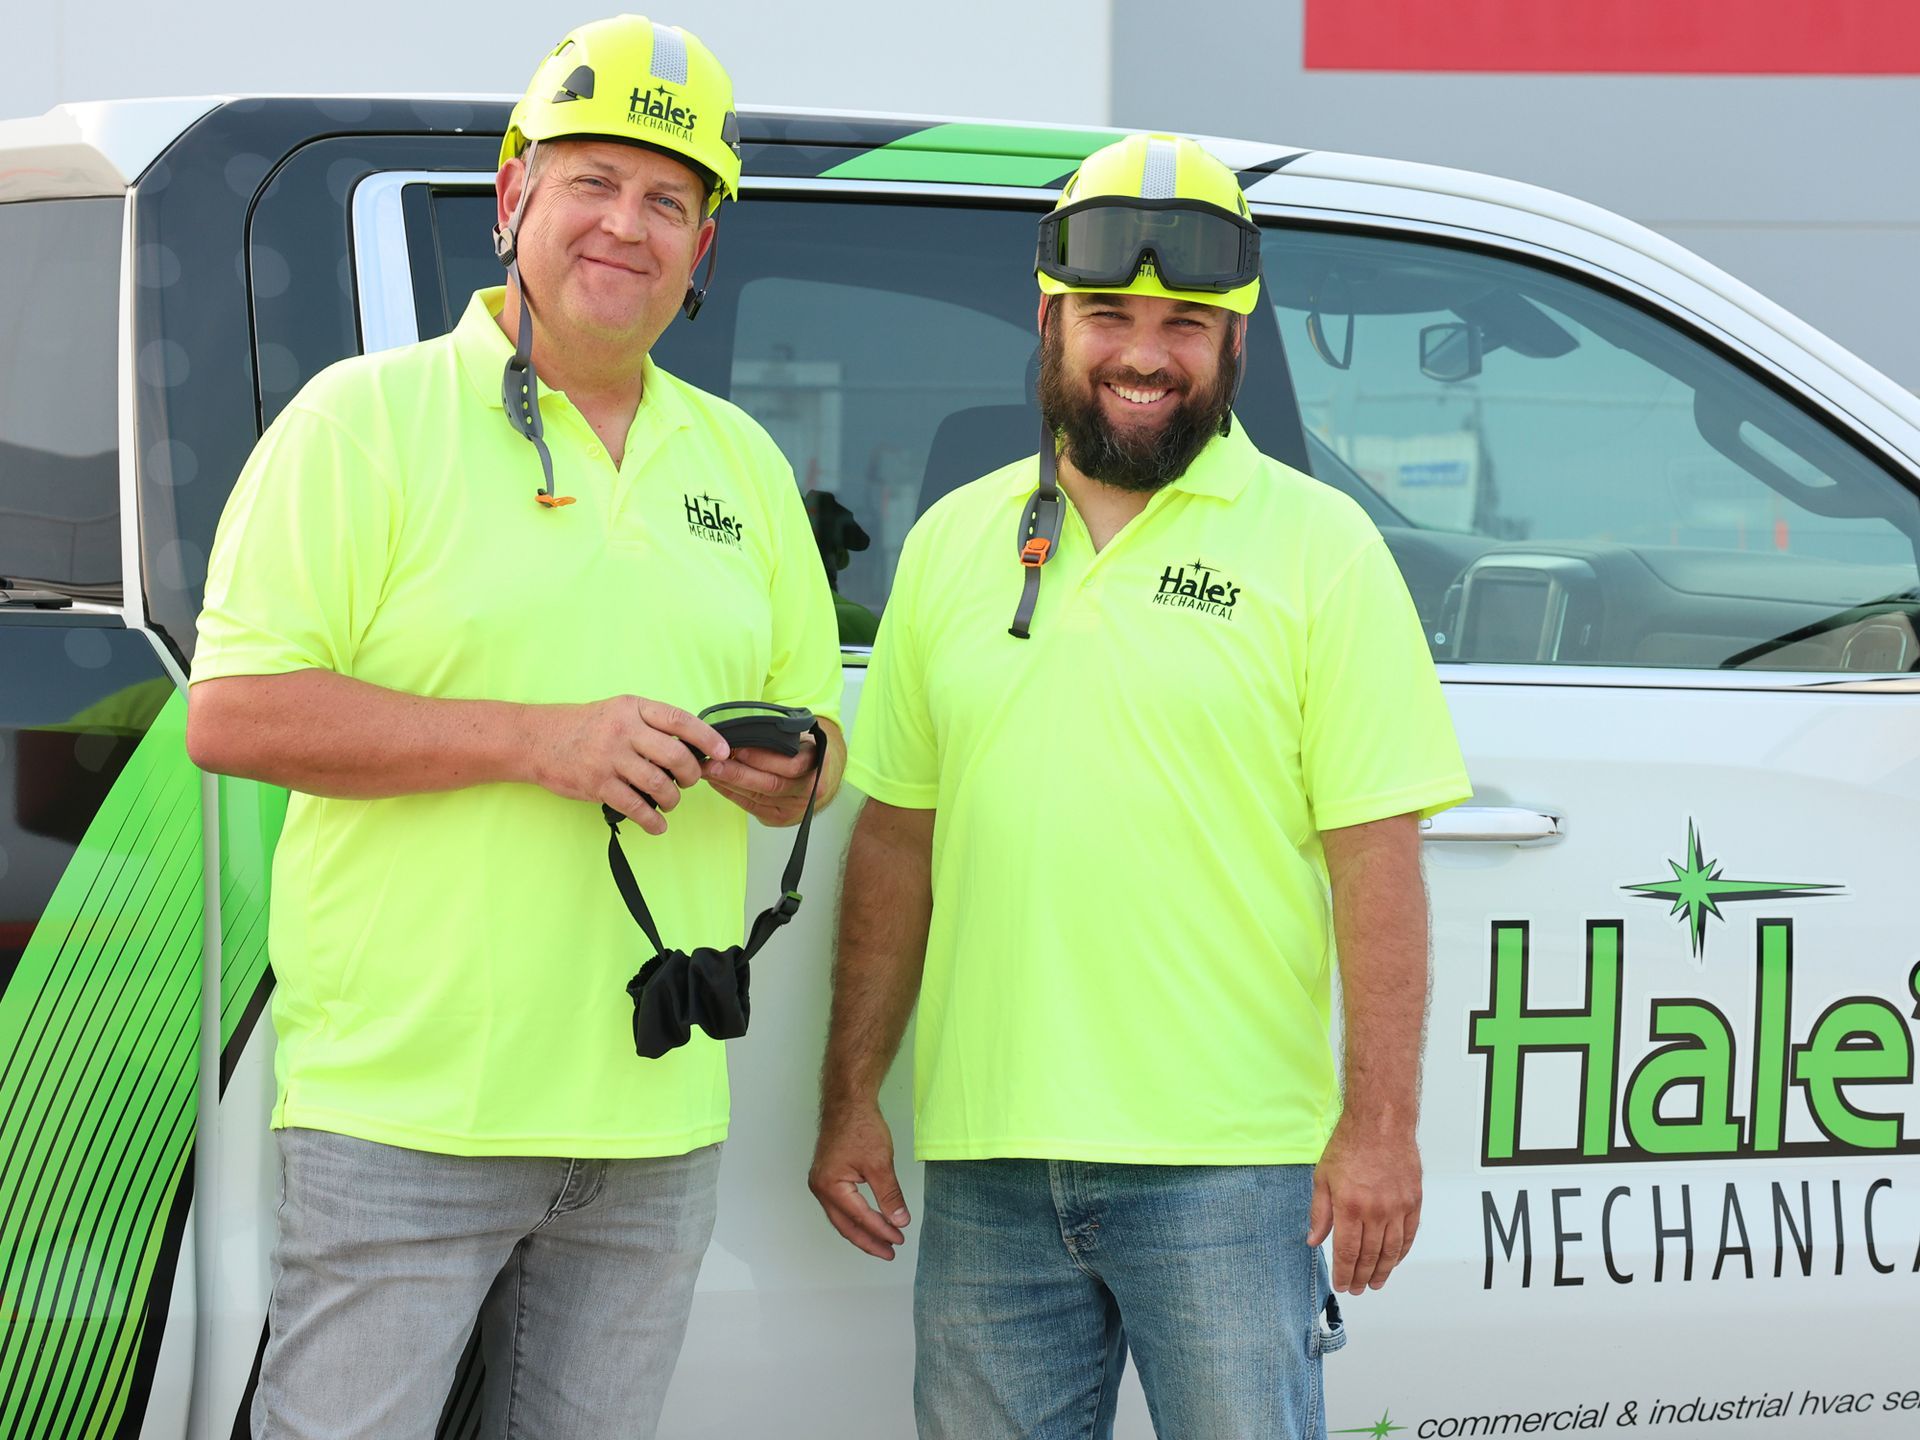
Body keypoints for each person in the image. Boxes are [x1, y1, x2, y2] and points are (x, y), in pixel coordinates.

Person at [186, 16, 843, 1438]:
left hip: (652, 1121)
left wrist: (788, 773)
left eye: (670, 199)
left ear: (705, 243)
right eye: (592, 180)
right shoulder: (358, 424)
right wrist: (539, 742)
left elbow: (817, 749)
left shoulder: (741, 461)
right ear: (512, 198)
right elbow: (233, 713)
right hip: (410, 1111)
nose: (628, 224)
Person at [809, 132, 1471, 1440]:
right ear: (1050, 321)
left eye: (1187, 322)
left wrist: (1380, 1128)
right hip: (990, 1166)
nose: (1145, 352)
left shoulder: (1321, 550)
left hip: (1230, 1173)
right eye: (1109, 315)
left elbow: (1376, 864)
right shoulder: (955, 545)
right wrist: (848, 1101)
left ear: (1236, 343)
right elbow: (893, 846)